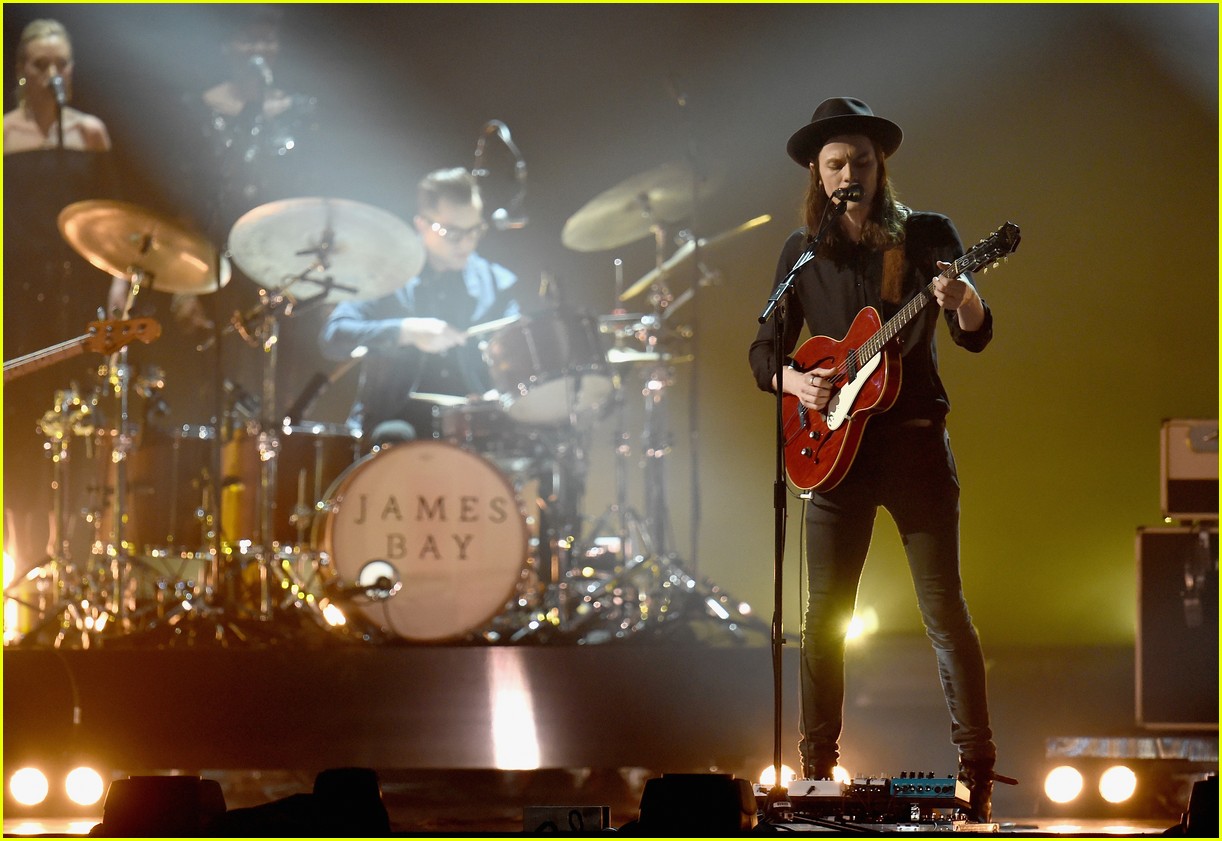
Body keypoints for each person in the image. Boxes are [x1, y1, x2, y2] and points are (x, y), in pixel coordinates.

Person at [748, 97, 1005, 821]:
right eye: (836, 163)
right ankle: (816, 772)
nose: (850, 172)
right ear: (816, 172)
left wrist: (962, 297)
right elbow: (764, 348)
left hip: (914, 443)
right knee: (821, 616)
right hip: (832, 456)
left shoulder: (925, 236)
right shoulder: (802, 251)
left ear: (879, 164)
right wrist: (798, 380)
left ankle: (976, 767)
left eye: (861, 159)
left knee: (943, 609)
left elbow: (975, 334)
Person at [3, 18, 126, 571]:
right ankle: (24, 559)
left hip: (75, 303)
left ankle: (72, 562)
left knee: (76, 423)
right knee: (21, 431)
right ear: (20, 72)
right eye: (40, 64)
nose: (51, 74)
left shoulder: (90, 134)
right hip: (16, 305)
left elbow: (116, 222)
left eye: (61, 64)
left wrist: (121, 285)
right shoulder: (5, 135)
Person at [319, 167, 519, 447]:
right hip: (395, 425)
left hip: (471, 431)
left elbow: (518, 362)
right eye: (452, 232)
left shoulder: (496, 284)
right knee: (393, 438)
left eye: (474, 231)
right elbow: (334, 336)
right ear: (422, 224)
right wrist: (406, 331)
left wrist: (500, 394)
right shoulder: (387, 272)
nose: (466, 243)